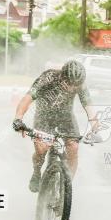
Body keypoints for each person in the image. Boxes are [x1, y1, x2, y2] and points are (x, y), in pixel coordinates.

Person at [12, 60, 100, 192]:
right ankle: (36, 172)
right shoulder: (48, 78)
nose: (72, 87)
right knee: (42, 150)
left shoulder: (79, 83)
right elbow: (27, 99)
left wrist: (94, 127)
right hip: (44, 117)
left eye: (75, 85)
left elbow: (89, 106)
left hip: (66, 117)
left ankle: (66, 187)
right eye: (69, 83)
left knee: (74, 147)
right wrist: (18, 118)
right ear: (62, 77)